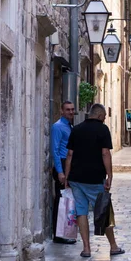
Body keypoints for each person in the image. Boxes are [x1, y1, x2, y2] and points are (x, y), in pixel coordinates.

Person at [64, 103, 124, 258]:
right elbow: (105, 153)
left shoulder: (76, 129)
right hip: (95, 179)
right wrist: (110, 175)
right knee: (104, 211)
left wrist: (66, 176)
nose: (104, 120)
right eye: (103, 117)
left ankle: (86, 248)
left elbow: (70, 154)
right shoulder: (103, 129)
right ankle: (113, 246)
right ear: (99, 115)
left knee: (81, 212)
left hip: (76, 178)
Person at [51, 101, 76, 244]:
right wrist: (60, 172)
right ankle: (58, 235)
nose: (71, 112)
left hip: (68, 165)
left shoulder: (69, 126)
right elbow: (54, 150)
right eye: (68, 110)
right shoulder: (58, 127)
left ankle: (65, 232)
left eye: (72, 110)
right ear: (62, 111)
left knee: (66, 201)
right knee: (60, 201)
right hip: (61, 164)